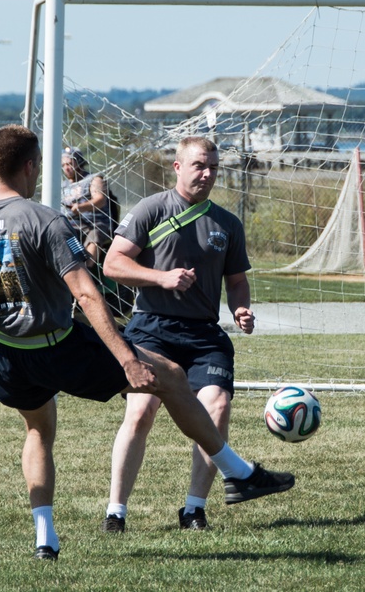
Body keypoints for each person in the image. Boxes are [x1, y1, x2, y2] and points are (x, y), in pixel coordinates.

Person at [0, 126, 294, 561]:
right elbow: (87, 294)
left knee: (38, 431)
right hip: (57, 347)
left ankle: (45, 537)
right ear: (31, 166)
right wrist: (126, 358)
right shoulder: (45, 220)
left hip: (4, 353)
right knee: (172, 377)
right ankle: (238, 472)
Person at [100, 135, 254, 533]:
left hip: (204, 335)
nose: (207, 173)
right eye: (200, 165)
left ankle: (193, 510)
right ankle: (116, 512)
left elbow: (236, 280)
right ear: (178, 167)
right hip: (152, 327)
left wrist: (240, 306)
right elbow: (112, 265)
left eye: (214, 167)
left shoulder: (227, 223)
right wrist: (161, 278)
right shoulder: (152, 209)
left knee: (216, 406)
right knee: (140, 411)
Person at [61, 146, 119, 268]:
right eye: (64, 165)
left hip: (95, 223)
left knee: (95, 234)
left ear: (79, 162)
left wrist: (81, 207)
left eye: (70, 164)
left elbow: (100, 200)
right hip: (72, 224)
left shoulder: (94, 179)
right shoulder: (62, 185)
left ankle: (86, 269)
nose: (66, 168)